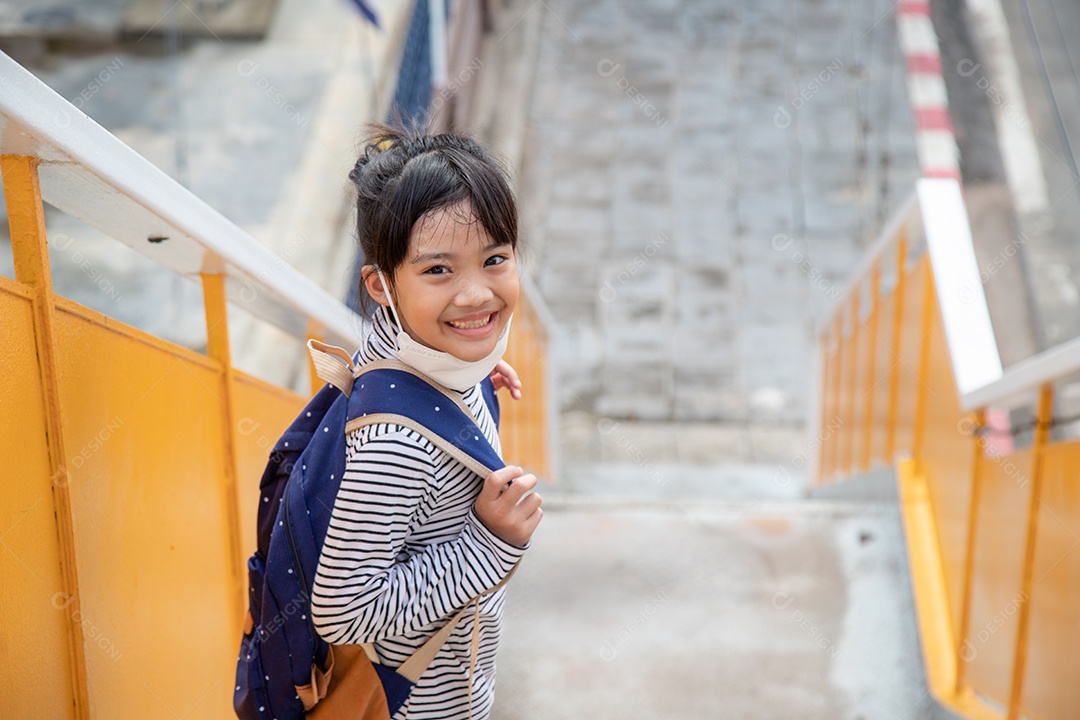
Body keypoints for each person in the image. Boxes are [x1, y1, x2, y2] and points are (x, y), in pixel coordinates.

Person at [310, 125, 544, 720]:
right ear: (380, 286)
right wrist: (490, 543)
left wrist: (468, 374)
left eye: (495, 259)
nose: (474, 295)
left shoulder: (412, 357)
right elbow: (340, 610)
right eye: (438, 271)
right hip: (421, 703)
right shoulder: (398, 445)